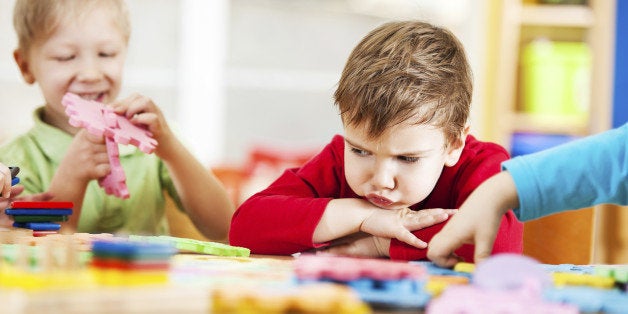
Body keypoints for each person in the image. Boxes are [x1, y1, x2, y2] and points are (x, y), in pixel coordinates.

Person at [229, 21, 523, 261]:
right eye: (360, 150)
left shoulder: (484, 164)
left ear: (454, 144)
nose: (382, 180)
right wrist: (363, 216)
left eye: (407, 159)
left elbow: (496, 245)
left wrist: (382, 244)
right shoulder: (336, 160)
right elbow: (246, 226)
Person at [1, 0, 234, 238]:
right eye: (66, 57)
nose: (91, 74)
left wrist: (170, 148)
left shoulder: (155, 140)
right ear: (26, 66)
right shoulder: (14, 163)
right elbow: (31, 254)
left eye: (106, 54)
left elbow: (223, 226)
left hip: (149, 275)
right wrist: (70, 179)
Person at [428, 123, 628, 267]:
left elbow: (493, 252)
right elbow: (618, 156)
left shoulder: (482, 160)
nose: (394, 181)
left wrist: (395, 243)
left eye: (408, 158)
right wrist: (502, 189)